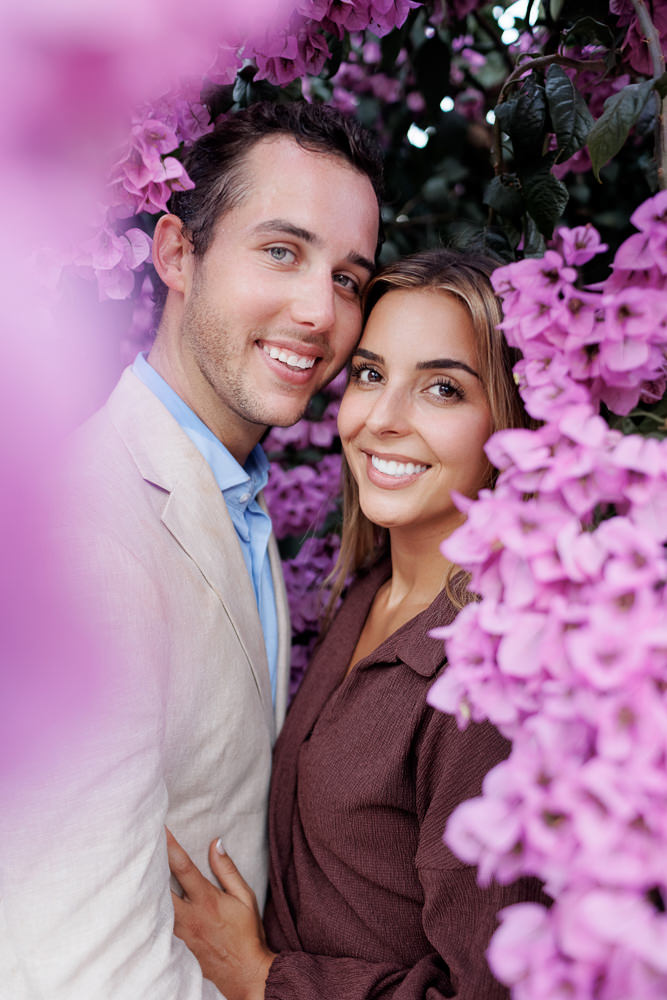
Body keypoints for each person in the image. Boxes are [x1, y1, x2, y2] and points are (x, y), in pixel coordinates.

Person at [0, 101, 382, 999]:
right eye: (281, 252)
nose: (318, 311)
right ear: (177, 254)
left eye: (349, 278)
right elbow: (84, 971)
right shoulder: (87, 532)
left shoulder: (231, 498)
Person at [166, 247, 545, 999]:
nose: (381, 419)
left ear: (513, 420)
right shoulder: (367, 595)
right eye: (370, 374)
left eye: (442, 388)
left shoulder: (489, 679)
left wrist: (262, 977)